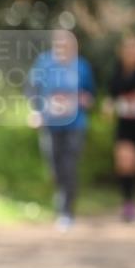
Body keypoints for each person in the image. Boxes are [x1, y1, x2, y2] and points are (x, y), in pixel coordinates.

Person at [27, 29, 96, 231]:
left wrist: (84, 99)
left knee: (69, 165)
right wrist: (36, 111)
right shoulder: (44, 62)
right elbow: (32, 89)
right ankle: (61, 200)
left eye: (67, 43)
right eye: (60, 43)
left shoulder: (82, 66)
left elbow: (90, 94)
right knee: (55, 166)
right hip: (50, 123)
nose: (63, 46)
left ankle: (66, 212)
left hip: (76, 124)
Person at [104, 34, 135, 221]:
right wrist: (109, 107)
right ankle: (128, 203)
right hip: (126, 127)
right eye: (129, 49)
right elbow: (111, 99)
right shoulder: (116, 77)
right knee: (125, 161)